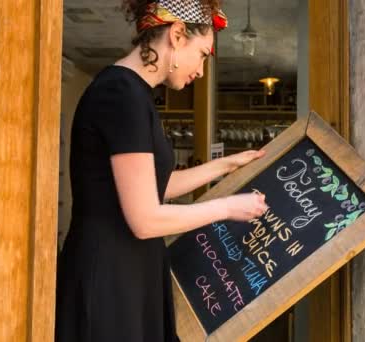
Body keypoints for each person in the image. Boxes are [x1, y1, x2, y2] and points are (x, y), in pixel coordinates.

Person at [55, 0, 268, 341]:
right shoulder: (120, 94)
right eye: (202, 54)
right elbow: (145, 219)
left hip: (127, 271)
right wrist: (228, 208)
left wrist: (226, 165)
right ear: (178, 35)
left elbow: (157, 186)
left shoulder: (132, 93)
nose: (201, 70)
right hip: (109, 279)